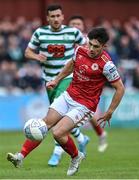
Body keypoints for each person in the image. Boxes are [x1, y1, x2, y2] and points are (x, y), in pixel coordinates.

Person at [7, 27, 125, 176]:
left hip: (85, 105)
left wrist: (109, 111)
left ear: (104, 46)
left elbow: (120, 88)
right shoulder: (80, 50)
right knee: (43, 125)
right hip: (68, 96)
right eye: (90, 44)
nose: (91, 49)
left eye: (96, 46)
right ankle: (20, 156)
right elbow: (70, 65)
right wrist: (56, 80)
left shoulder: (107, 65)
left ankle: (76, 157)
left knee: (58, 133)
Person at [21, 4, 89, 166]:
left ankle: (56, 153)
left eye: (58, 16)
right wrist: (37, 57)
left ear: (63, 17)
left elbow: (87, 47)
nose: (56, 19)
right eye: (53, 16)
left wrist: (79, 59)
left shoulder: (72, 32)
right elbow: (27, 52)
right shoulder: (40, 33)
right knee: (58, 119)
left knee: (55, 120)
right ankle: (81, 138)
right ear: (48, 18)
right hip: (49, 80)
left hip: (67, 78)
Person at [68, 15, 108, 150]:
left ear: (82, 26)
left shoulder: (87, 41)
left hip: (86, 78)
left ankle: (99, 135)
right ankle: (79, 140)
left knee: (90, 115)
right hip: (71, 76)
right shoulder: (65, 39)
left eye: (78, 24)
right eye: (72, 24)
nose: (75, 26)